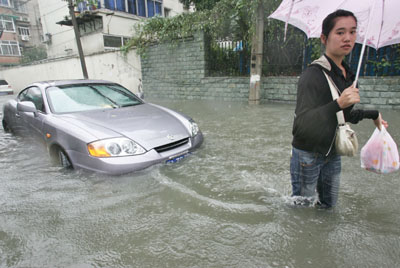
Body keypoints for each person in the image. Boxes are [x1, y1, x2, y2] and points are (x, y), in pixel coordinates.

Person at [290, 9, 389, 208]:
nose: (348, 38)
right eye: (340, 32)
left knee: (329, 206)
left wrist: (374, 115)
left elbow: (345, 115)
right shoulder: (312, 75)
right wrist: (338, 104)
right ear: (324, 38)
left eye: (353, 32)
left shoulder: (348, 74)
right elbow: (301, 124)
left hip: (332, 151)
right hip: (308, 154)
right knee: (301, 208)